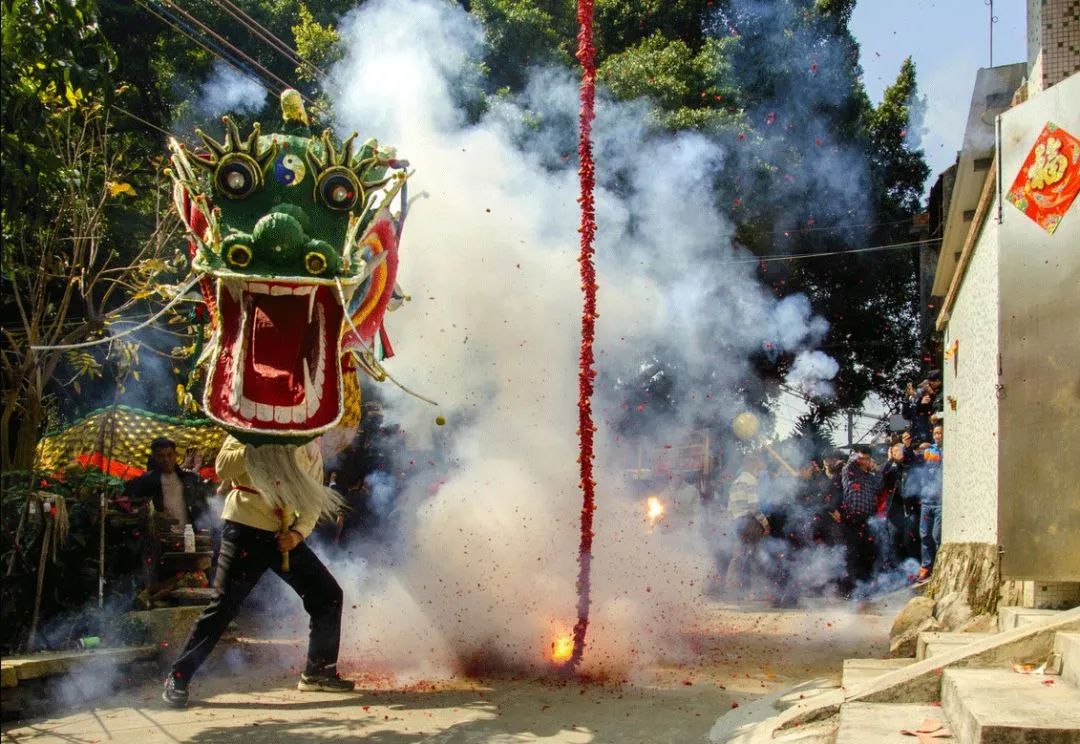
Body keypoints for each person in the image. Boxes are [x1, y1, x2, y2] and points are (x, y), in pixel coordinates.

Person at [162, 436, 354, 707]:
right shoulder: (245, 428)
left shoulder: (310, 443)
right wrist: (255, 443)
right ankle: (178, 677)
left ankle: (318, 673)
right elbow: (223, 468)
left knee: (327, 595)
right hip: (244, 527)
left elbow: (312, 500)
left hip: (283, 533)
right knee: (224, 607)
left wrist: (298, 534)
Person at [122, 438, 210, 529]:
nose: (166, 460)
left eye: (169, 455)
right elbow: (128, 499)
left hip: (188, 534)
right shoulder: (148, 480)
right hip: (163, 536)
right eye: (160, 456)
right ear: (155, 457)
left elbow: (203, 505)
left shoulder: (187, 478)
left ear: (175, 455)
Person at [721, 453, 771, 596]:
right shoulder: (751, 481)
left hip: (737, 523)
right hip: (750, 523)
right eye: (757, 465)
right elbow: (753, 506)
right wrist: (765, 523)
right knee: (756, 557)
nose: (759, 469)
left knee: (737, 556)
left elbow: (729, 508)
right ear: (751, 465)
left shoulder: (736, 482)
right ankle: (755, 592)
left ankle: (731, 589)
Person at [839, 446, 882, 598]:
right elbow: (850, 463)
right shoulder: (849, 473)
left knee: (865, 555)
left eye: (867, 459)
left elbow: (880, 484)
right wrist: (859, 456)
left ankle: (864, 589)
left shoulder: (870, 477)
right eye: (862, 458)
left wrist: (875, 468)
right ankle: (848, 590)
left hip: (867, 520)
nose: (865, 461)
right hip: (851, 520)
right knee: (851, 555)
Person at [914, 424, 944, 583]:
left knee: (936, 535)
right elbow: (915, 459)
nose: (938, 436)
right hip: (926, 501)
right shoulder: (928, 451)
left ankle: (939, 567)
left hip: (940, 502)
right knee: (924, 535)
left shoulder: (948, 450)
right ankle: (926, 567)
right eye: (936, 433)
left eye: (941, 433)